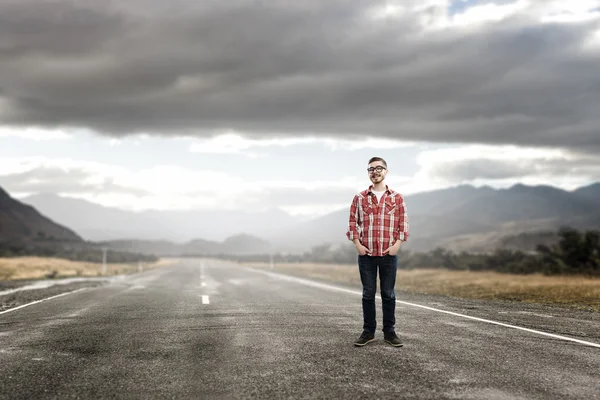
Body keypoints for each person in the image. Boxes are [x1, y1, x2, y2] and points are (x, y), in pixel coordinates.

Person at [346, 156, 409, 347]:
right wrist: (357, 244)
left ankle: (390, 333)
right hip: (366, 255)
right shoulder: (359, 197)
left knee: (388, 294)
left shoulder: (396, 198)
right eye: (371, 169)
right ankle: (368, 332)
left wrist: (397, 244)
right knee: (368, 294)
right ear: (368, 173)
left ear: (386, 171)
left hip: (388, 254)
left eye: (379, 168)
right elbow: (352, 222)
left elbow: (402, 222)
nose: (375, 171)